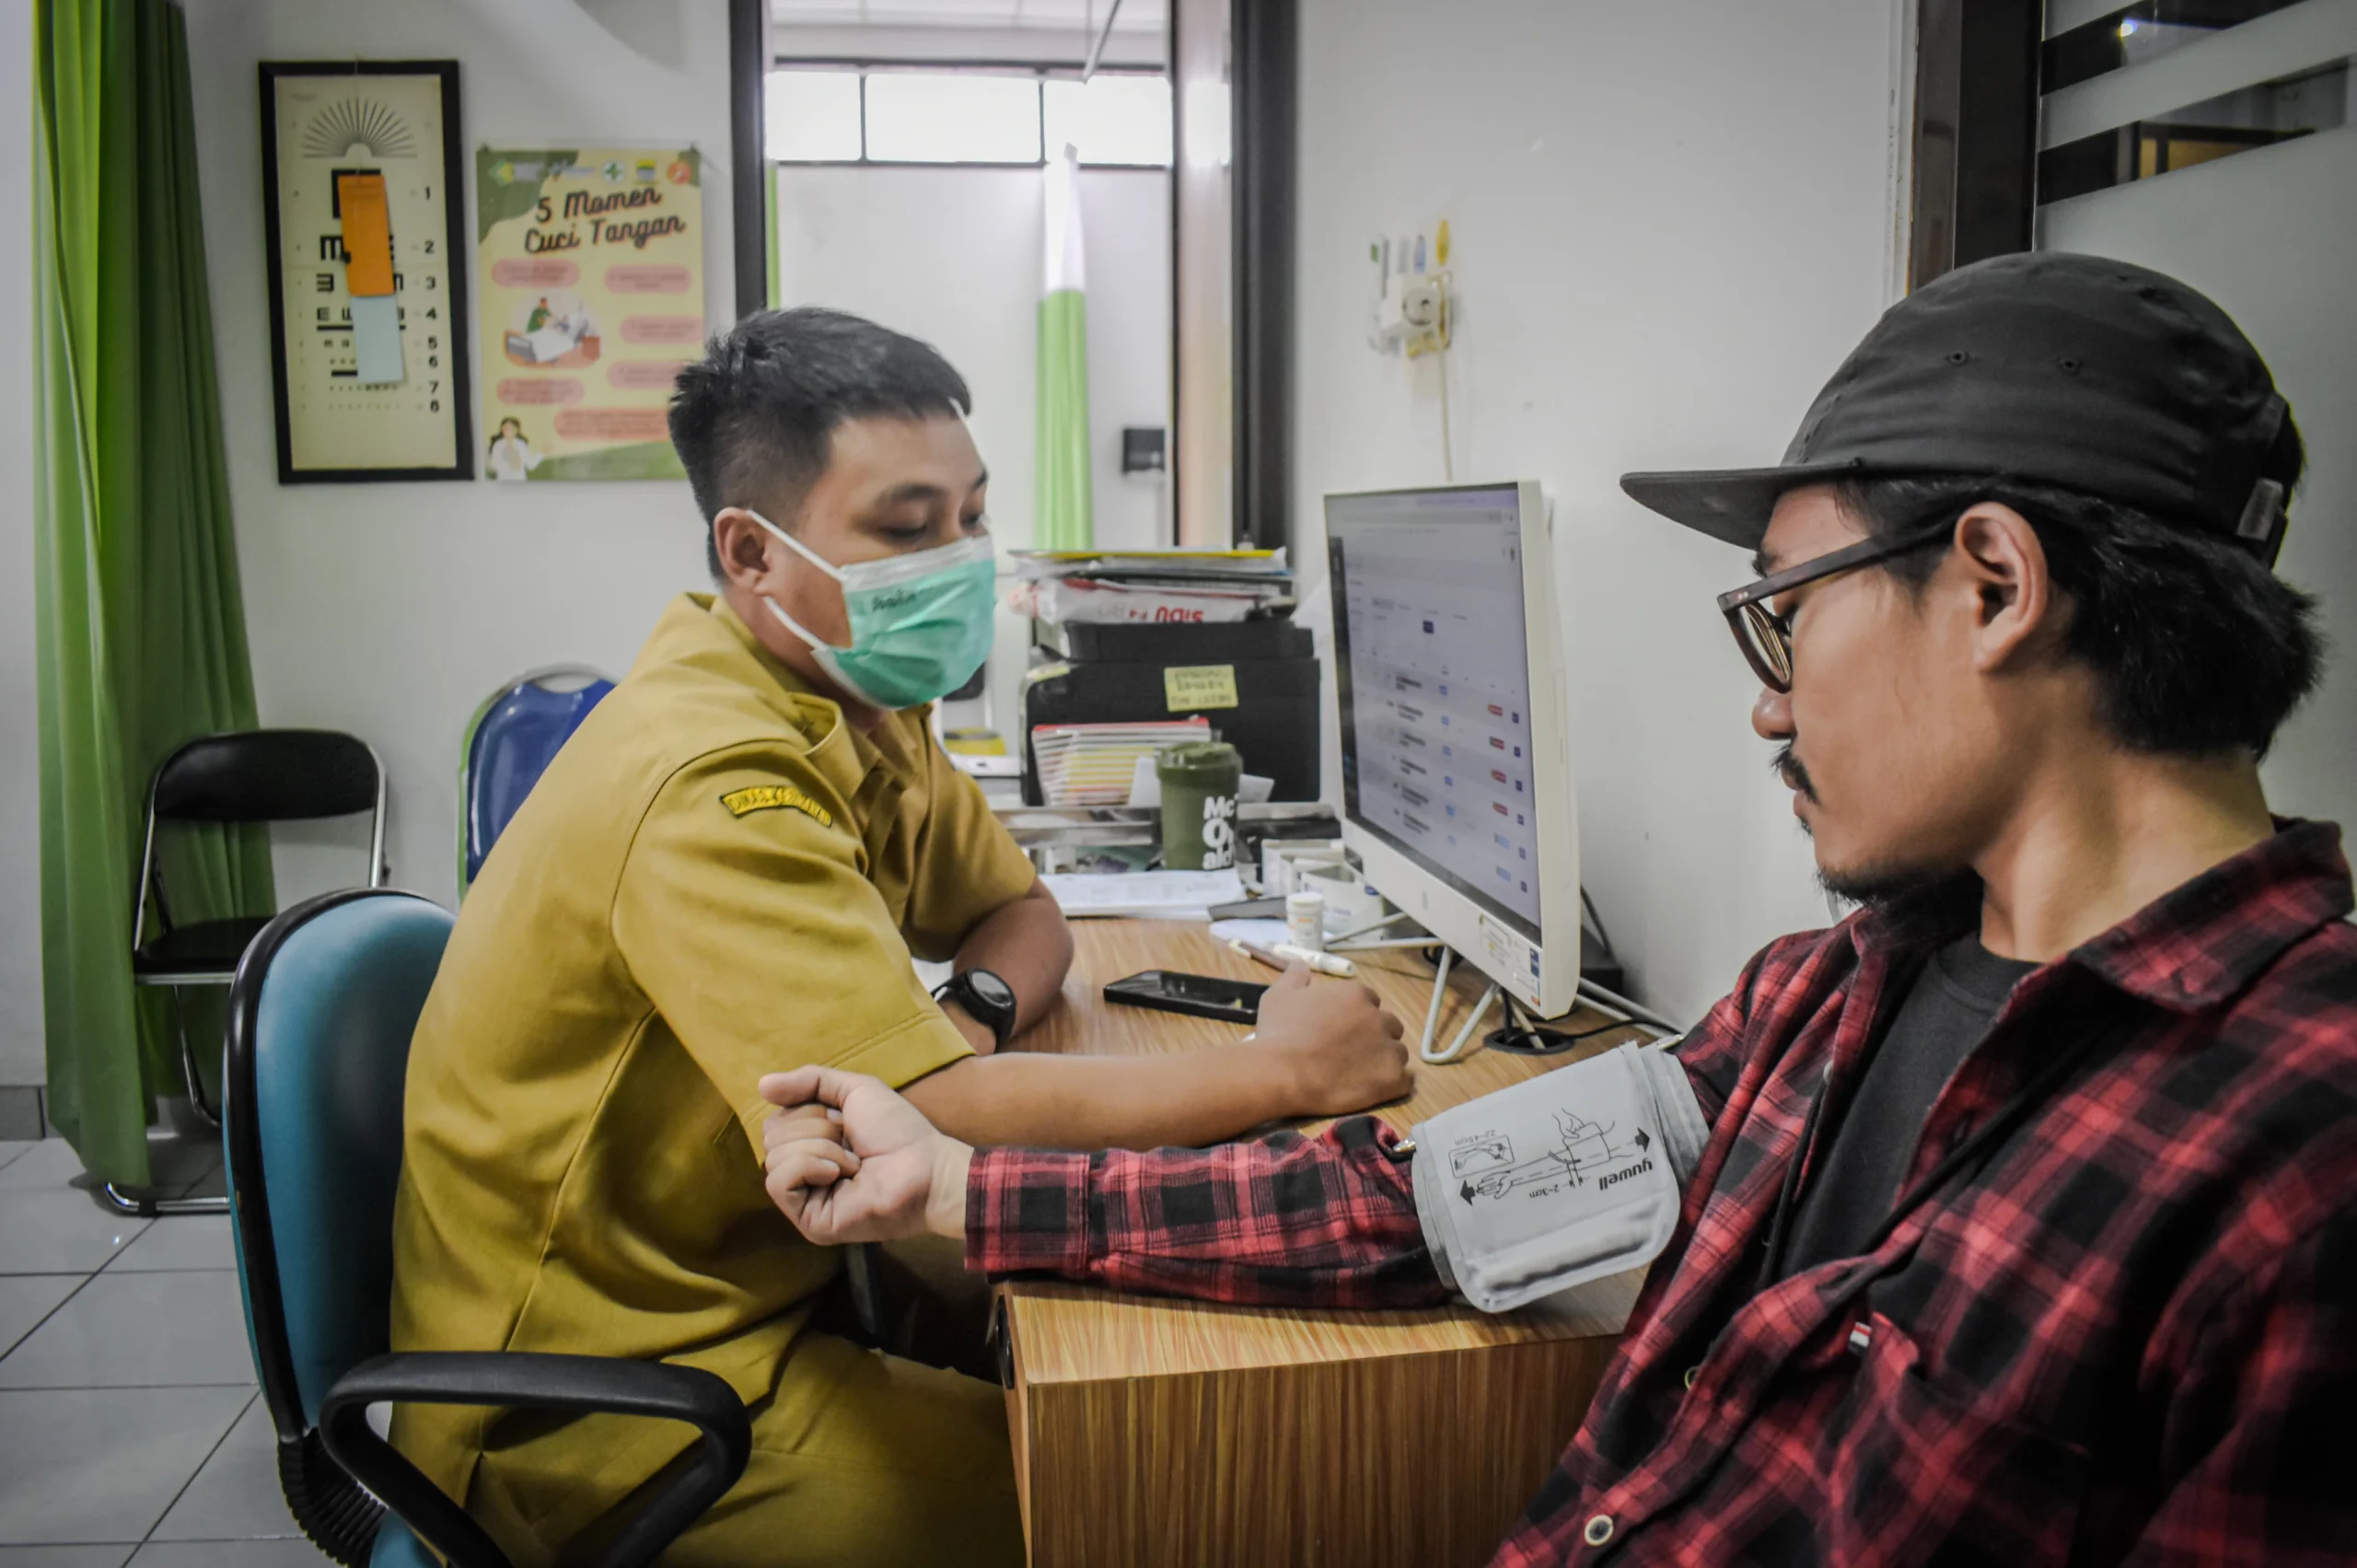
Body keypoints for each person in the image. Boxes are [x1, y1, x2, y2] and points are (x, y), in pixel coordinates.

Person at [762, 254, 2357, 1564]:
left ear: (1996, 585)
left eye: (1783, 615)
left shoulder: (2300, 1167)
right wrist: (967, 1193)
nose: (1770, 707)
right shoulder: (1828, 996)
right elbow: (1433, 1203)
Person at [388, 307, 1411, 1568]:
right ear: (752, 553)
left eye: (971, 517)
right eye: (906, 527)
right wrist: (1291, 1072)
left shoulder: (855, 696)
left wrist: (969, 1011)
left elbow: (1019, 915)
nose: (960, 560)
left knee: (1140, 1377)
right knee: (1129, 1490)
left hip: (767, 1286)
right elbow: (937, 1108)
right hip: (595, 1408)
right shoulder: (710, 780)